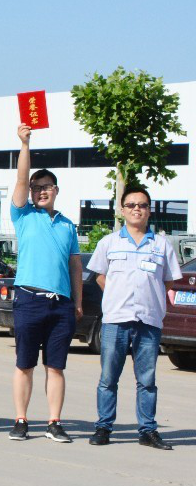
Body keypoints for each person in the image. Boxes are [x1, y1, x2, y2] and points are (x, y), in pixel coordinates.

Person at [85, 186, 182, 449]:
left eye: (142, 205)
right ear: (122, 210)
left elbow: (169, 281)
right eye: (131, 205)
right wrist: (118, 294)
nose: (136, 209)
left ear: (149, 210)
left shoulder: (161, 245)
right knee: (108, 378)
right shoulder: (109, 242)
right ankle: (104, 427)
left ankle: (148, 431)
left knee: (147, 380)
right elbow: (100, 276)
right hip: (116, 319)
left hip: (148, 320)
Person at [9, 125, 82, 443]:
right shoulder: (23, 215)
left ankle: (54, 422)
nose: (40, 191)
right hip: (29, 300)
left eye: (46, 187)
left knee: (56, 367)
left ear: (56, 190)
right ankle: (21, 420)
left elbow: (75, 266)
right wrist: (25, 144)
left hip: (61, 304)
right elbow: (21, 179)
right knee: (25, 364)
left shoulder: (67, 225)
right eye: (36, 187)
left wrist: (77, 302)